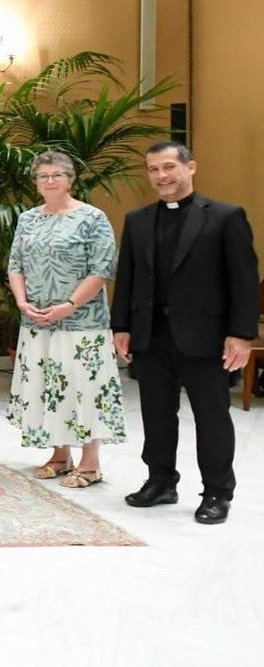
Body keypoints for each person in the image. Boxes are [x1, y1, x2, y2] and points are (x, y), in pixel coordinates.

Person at [112, 142, 258, 524]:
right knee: (157, 414)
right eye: (153, 169)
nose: (161, 176)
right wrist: (121, 326)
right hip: (151, 334)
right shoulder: (138, 219)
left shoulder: (225, 217)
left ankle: (216, 492)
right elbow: (127, 277)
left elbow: (244, 282)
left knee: (212, 416)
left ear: (191, 167)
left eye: (168, 167)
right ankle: (160, 481)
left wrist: (241, 334)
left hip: (206, 337)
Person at [6, 151, 123, 488]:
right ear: (36, 182)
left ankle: (90, 463)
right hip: (38, 321)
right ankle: (60, 455)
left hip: (82, 323)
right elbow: (15, 265)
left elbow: (102, 269)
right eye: (43, 176)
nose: (50, 181)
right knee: (49, 387)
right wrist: (22, 302)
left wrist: (69, 305)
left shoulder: (92, 218)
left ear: (71, 179)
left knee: (85, 389)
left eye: (57, 175)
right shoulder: (28, 219)